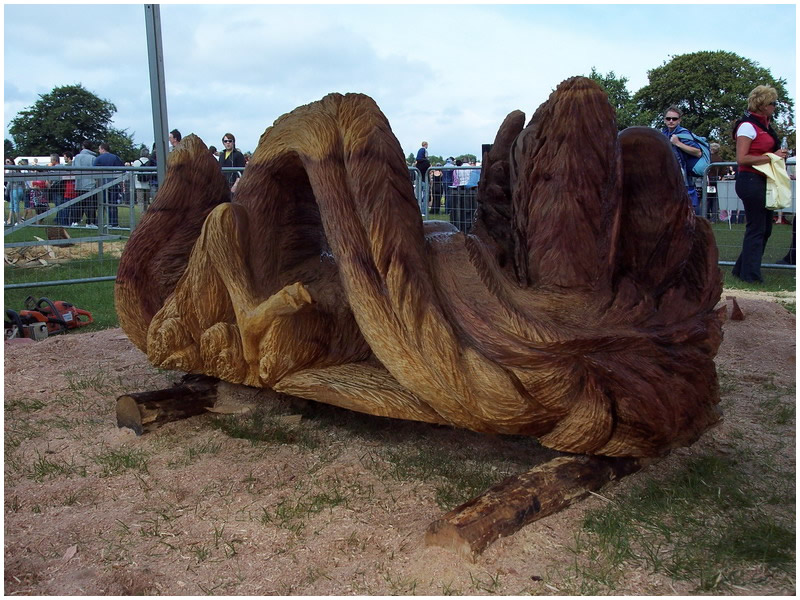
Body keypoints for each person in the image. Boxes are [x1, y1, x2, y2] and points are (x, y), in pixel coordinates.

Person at [731, 85, 789, 284]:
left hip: (763, 180)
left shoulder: (765, 125)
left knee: (765, 229)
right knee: (757, 228)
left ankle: (741, 269)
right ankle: (751, 275)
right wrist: (772, 156)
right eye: (772, 103)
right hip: (750, 180)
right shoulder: (747, 126)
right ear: (763, 105)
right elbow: (742, 158)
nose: (775, 107)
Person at [661, 106, 702, 213]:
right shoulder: (663, 134)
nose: (671, 121)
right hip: (668, 178)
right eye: (668, 118)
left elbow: (698, 152)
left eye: (674, 119)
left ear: (679, 120)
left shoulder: (683, 133)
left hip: (685, 179)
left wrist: (678, 143)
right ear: (664, 120)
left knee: (690, 208)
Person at [72, 140, 97, 226]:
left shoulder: (77, 157)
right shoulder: (93, 158)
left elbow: (73, 169)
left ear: (83, 147)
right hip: (90, 184)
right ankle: (90, 222)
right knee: (90, 205)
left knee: (79, 204)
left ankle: (75, 221)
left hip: (79, 184)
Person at [414, 142, 431, 206]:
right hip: (424, 179)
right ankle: (424, 210)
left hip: (419, 179)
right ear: (426, 145)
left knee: (418, 194)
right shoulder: (426, 161)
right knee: (425, 194)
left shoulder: (417, 164)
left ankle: (418, 208)